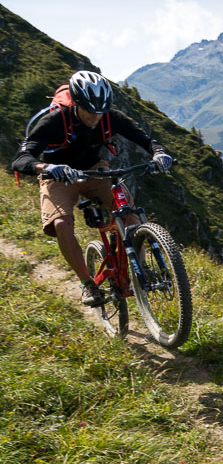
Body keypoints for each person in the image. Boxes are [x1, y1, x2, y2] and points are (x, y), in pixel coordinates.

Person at [11, 71, 174, 307]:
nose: (96, 117)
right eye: (90, 110)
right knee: (61, 224)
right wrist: (45, 166)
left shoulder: (110, 117)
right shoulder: (54, 121)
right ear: (76, 104)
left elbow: (144, 138)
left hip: (94, 170)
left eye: (101, 111)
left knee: (129, 214)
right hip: (58, 175)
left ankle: (140, 275)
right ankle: (88, 284)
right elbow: (21, 158)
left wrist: (159, 152)